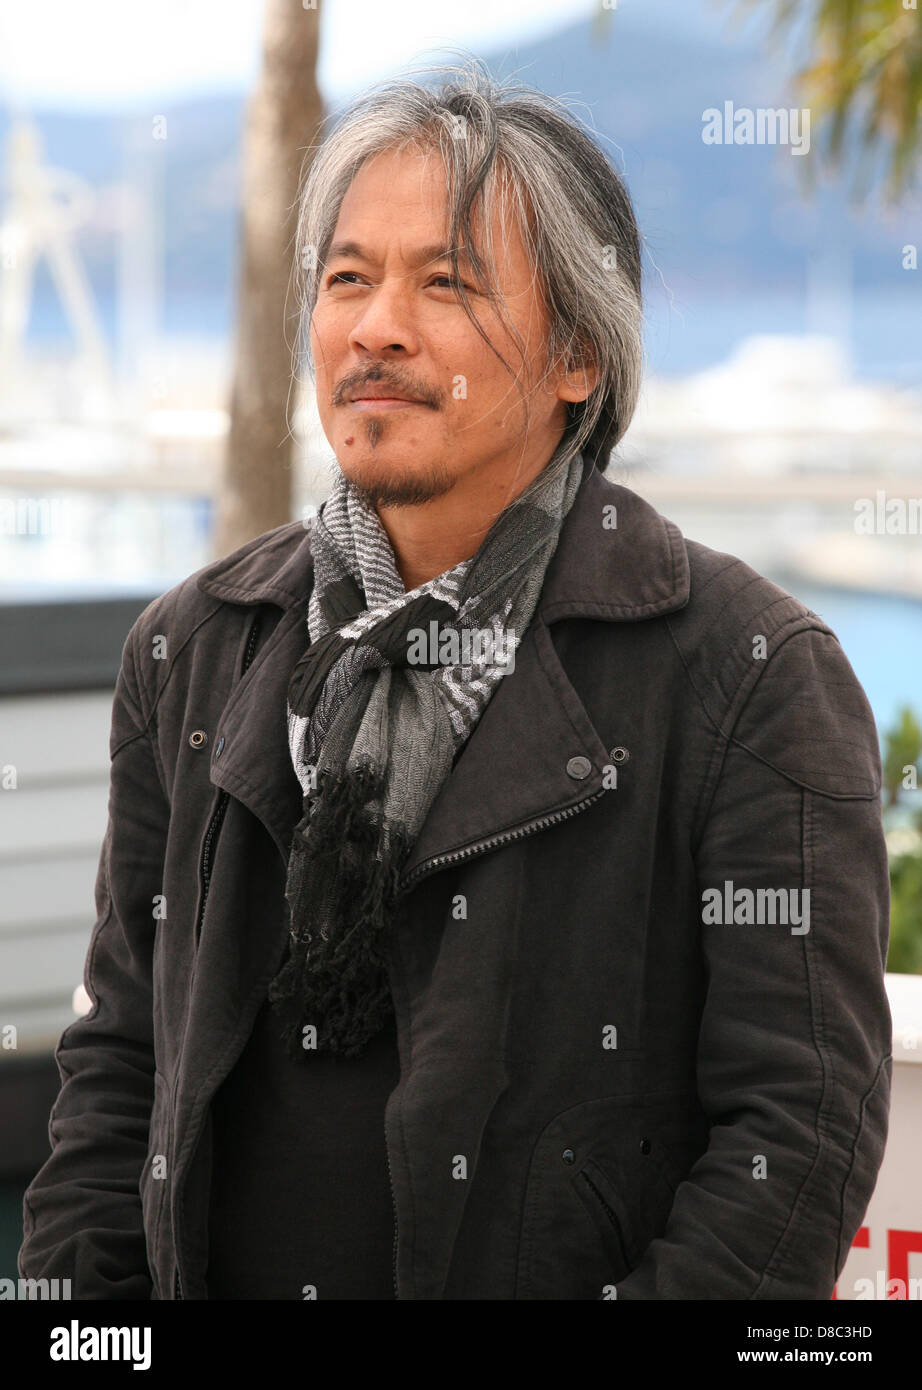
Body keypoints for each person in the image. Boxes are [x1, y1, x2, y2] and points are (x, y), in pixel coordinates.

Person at [19, 62, 891, 1301]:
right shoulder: (195, 647)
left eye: (445, 282)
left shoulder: (746, 675)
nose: (377, 325)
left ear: (579, 352)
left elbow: (795, 1141)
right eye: (347, 279)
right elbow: (116, 1071)